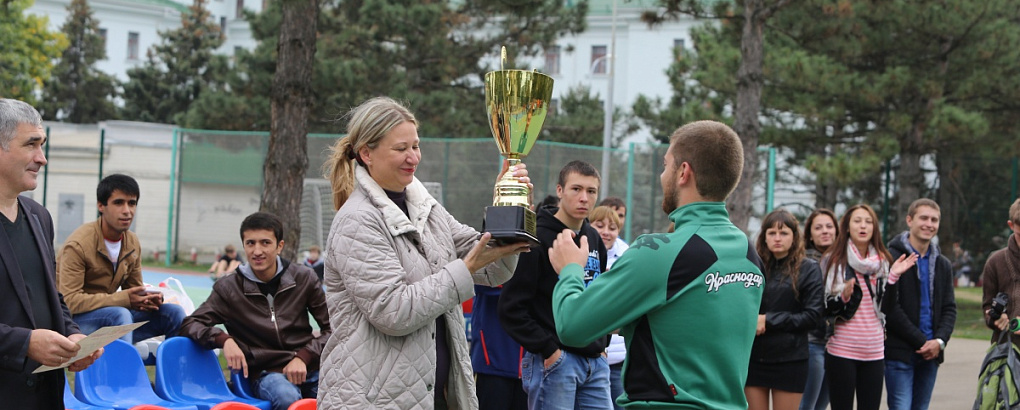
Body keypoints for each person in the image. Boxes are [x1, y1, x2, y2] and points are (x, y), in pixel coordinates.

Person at [315, 97, 530, 409]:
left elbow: (493, 269)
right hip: (372, 401)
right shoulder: (357, 220)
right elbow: (394, 311)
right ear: (366, 153)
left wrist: (508, 209)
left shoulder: (426, 208)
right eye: (401, 148)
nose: (412, 157)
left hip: (433, 396)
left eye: (415, 146)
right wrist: (465, 269)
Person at [546, 120, 766, 409]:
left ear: (683, 172)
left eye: (666, 166)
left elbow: (572, 326)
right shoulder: (748, 253)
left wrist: (571, 270)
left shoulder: (660, 252)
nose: (663, 176)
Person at [0, 98, 100, 409]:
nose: (42, 158)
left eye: (42, 145)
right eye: (31, 145)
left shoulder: (39, 216)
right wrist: (24, 343)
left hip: (45, 394)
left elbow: (51, 296)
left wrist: (72, 336)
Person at [180, 212, 330, 410]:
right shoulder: (228, 288)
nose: (257, 251)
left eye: (265, 243)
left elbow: (333, 327)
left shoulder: (304, 278)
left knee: (340, 397)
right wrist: (224, 340)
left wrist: (304, 356)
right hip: (266, 372)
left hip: (309, 367)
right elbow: (190, 324)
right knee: (288, 398)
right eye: (250, 243)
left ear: (280, 246)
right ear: (244, 246)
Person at [498, 160, 611, 410]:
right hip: (556, 361)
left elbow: (598, 295)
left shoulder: (593, 238)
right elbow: (511, 307)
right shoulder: (537, 237)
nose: (584, 198)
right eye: (576, 189)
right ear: (560, 191)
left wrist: (602, 345)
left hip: (596, 362)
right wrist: (550, 350)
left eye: (591, 192)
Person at [57, 174, 185, 344]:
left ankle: (174, 370)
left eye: (132, 203)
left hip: (113, 319)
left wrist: (147, 300)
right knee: (120, 314)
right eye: (119, 203)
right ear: (101, 206)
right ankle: (120, 370)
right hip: (71, 324)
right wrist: (123, 299)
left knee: (174, 313)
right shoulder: (78, 245)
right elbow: (69, 302)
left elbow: (133, 291)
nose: (127, 210)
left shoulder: (131, 242)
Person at [822, 204, 917, 410]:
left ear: (874, 228)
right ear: (847, 227)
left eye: (868, 221)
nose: (863, 226)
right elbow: (825, 308)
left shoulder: (883, 262)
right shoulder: (834, 261)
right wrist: (843, 298)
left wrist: (893, 277)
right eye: (857, 221)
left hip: (874, 351)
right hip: (841, 350)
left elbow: (888, 308)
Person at [882, 198, 957, 410]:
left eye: (934, 220)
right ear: (909, 220)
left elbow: (949, 308)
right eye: (923, 218)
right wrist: (921, 341)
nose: (929, 224)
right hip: (900, 352)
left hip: (931, 354)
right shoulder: (892, 258)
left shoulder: (942, 264)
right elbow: (890, 307)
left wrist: (939, 341)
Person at [746, 209, 824, 410]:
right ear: (764, 237)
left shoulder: (809, 268)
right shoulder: (753, 266)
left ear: (794, 237)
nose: (777, 238)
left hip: (790, 359)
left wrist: (768, 321)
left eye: (784, 233)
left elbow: (813, 316)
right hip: (754, 357)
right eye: (772, 233)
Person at [589, 205, 628, 410]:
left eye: (612, 227)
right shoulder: (580, 252)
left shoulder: (628, 256)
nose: (606, 231)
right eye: (599, 225)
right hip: (590, 353)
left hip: (618, 359)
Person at [799, 208, 838, 410]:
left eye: (829, 226)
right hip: (812, 342)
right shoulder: (803, 263)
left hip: (838, 344)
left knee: (821, 405)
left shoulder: (844, 262)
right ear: (810, 235)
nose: (825, 231)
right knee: (807, 405)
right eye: (818, 227)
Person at [983, 198, 1020, 346]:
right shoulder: (995, 261)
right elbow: (987, 306)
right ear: (1011, 225)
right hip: (1006, 350)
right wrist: (996, 319)